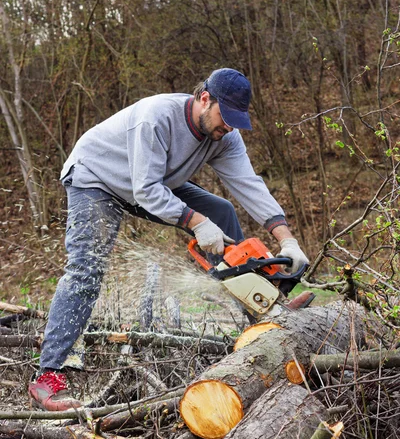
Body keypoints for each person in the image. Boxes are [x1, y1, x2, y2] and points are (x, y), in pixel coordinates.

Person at [28, 68, 309, 411]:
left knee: (221, 211)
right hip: (97, 180)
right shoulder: (156, 118)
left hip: (153, 184)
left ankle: (267, 308)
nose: (229, 127)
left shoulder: (224, 136)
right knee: (86, 272)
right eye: (226, 117)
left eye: (237, 120)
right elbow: (146, 191)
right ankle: (47, 378)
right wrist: (195, 221)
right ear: (205, 99)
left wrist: (287, 239)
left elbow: (248, 184)